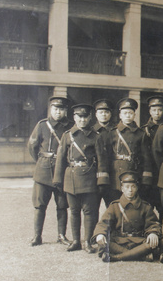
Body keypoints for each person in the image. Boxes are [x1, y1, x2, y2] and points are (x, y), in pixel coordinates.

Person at [54, 104, 107, 253]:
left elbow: (102, 160)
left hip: (89, 179)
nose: (82, 120)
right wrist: (58, 180)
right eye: (79, 117)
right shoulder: (67, 135)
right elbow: (60, 159)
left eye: (85, 117)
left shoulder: (96, 136)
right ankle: (76, 241)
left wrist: (101, 180)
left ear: (90, 118)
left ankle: (88, 242)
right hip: (71, 179)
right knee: (74, 211)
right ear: (74, 117)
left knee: (89, 212)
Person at [27, 96, 73, 246]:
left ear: (66, 111)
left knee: (62, 205)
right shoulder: (42, 125)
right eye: (55, 109)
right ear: (50, 109)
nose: (58, 112)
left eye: (61, 109)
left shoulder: (70, 126)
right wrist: (41, 160)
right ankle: (37, 236)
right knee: (40, 205)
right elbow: (32, 146)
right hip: (43, 171)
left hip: (62, 171)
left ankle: (61, 235)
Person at [93, 171, 161, 262]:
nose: (130, 190)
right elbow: (103, 223)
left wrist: (153, 233)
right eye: (127, 187)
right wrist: (100, 234)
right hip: (119, 241)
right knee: (105, 242)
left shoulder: (145, 206)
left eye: (133, 186)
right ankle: (140, 255)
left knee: (152, 243)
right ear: (122, 188)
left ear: (137, 188)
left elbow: (153, 224)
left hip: (138, 241)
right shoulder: (114, 206)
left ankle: (116, 257)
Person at [98, 98, 155, 203]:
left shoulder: (141, 134)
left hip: (133, 174)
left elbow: (146, 158)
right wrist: (104, 179)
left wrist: (146, 179)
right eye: (125, 113)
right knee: (114, 206)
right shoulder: (111, 133)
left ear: (134, 115)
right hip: (115, 176)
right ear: (120, 115)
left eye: (130, 113)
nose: (128, 116)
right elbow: (104, 158)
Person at [141, 95, 163, 216]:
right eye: (154, 110)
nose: (157, 113)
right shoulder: (144, 130)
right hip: (149, 173)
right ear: (150, 111)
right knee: (147, 206)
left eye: (160, 110)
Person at [92, 99, 117, 206]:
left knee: (112, 207)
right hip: (94, 175)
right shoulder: (91, 131)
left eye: (106, 112)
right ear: (96, 114)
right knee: (92, 210)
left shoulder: (116, 131)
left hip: (112, 175)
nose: (104, 115)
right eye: (101, 112)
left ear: (110, 114)